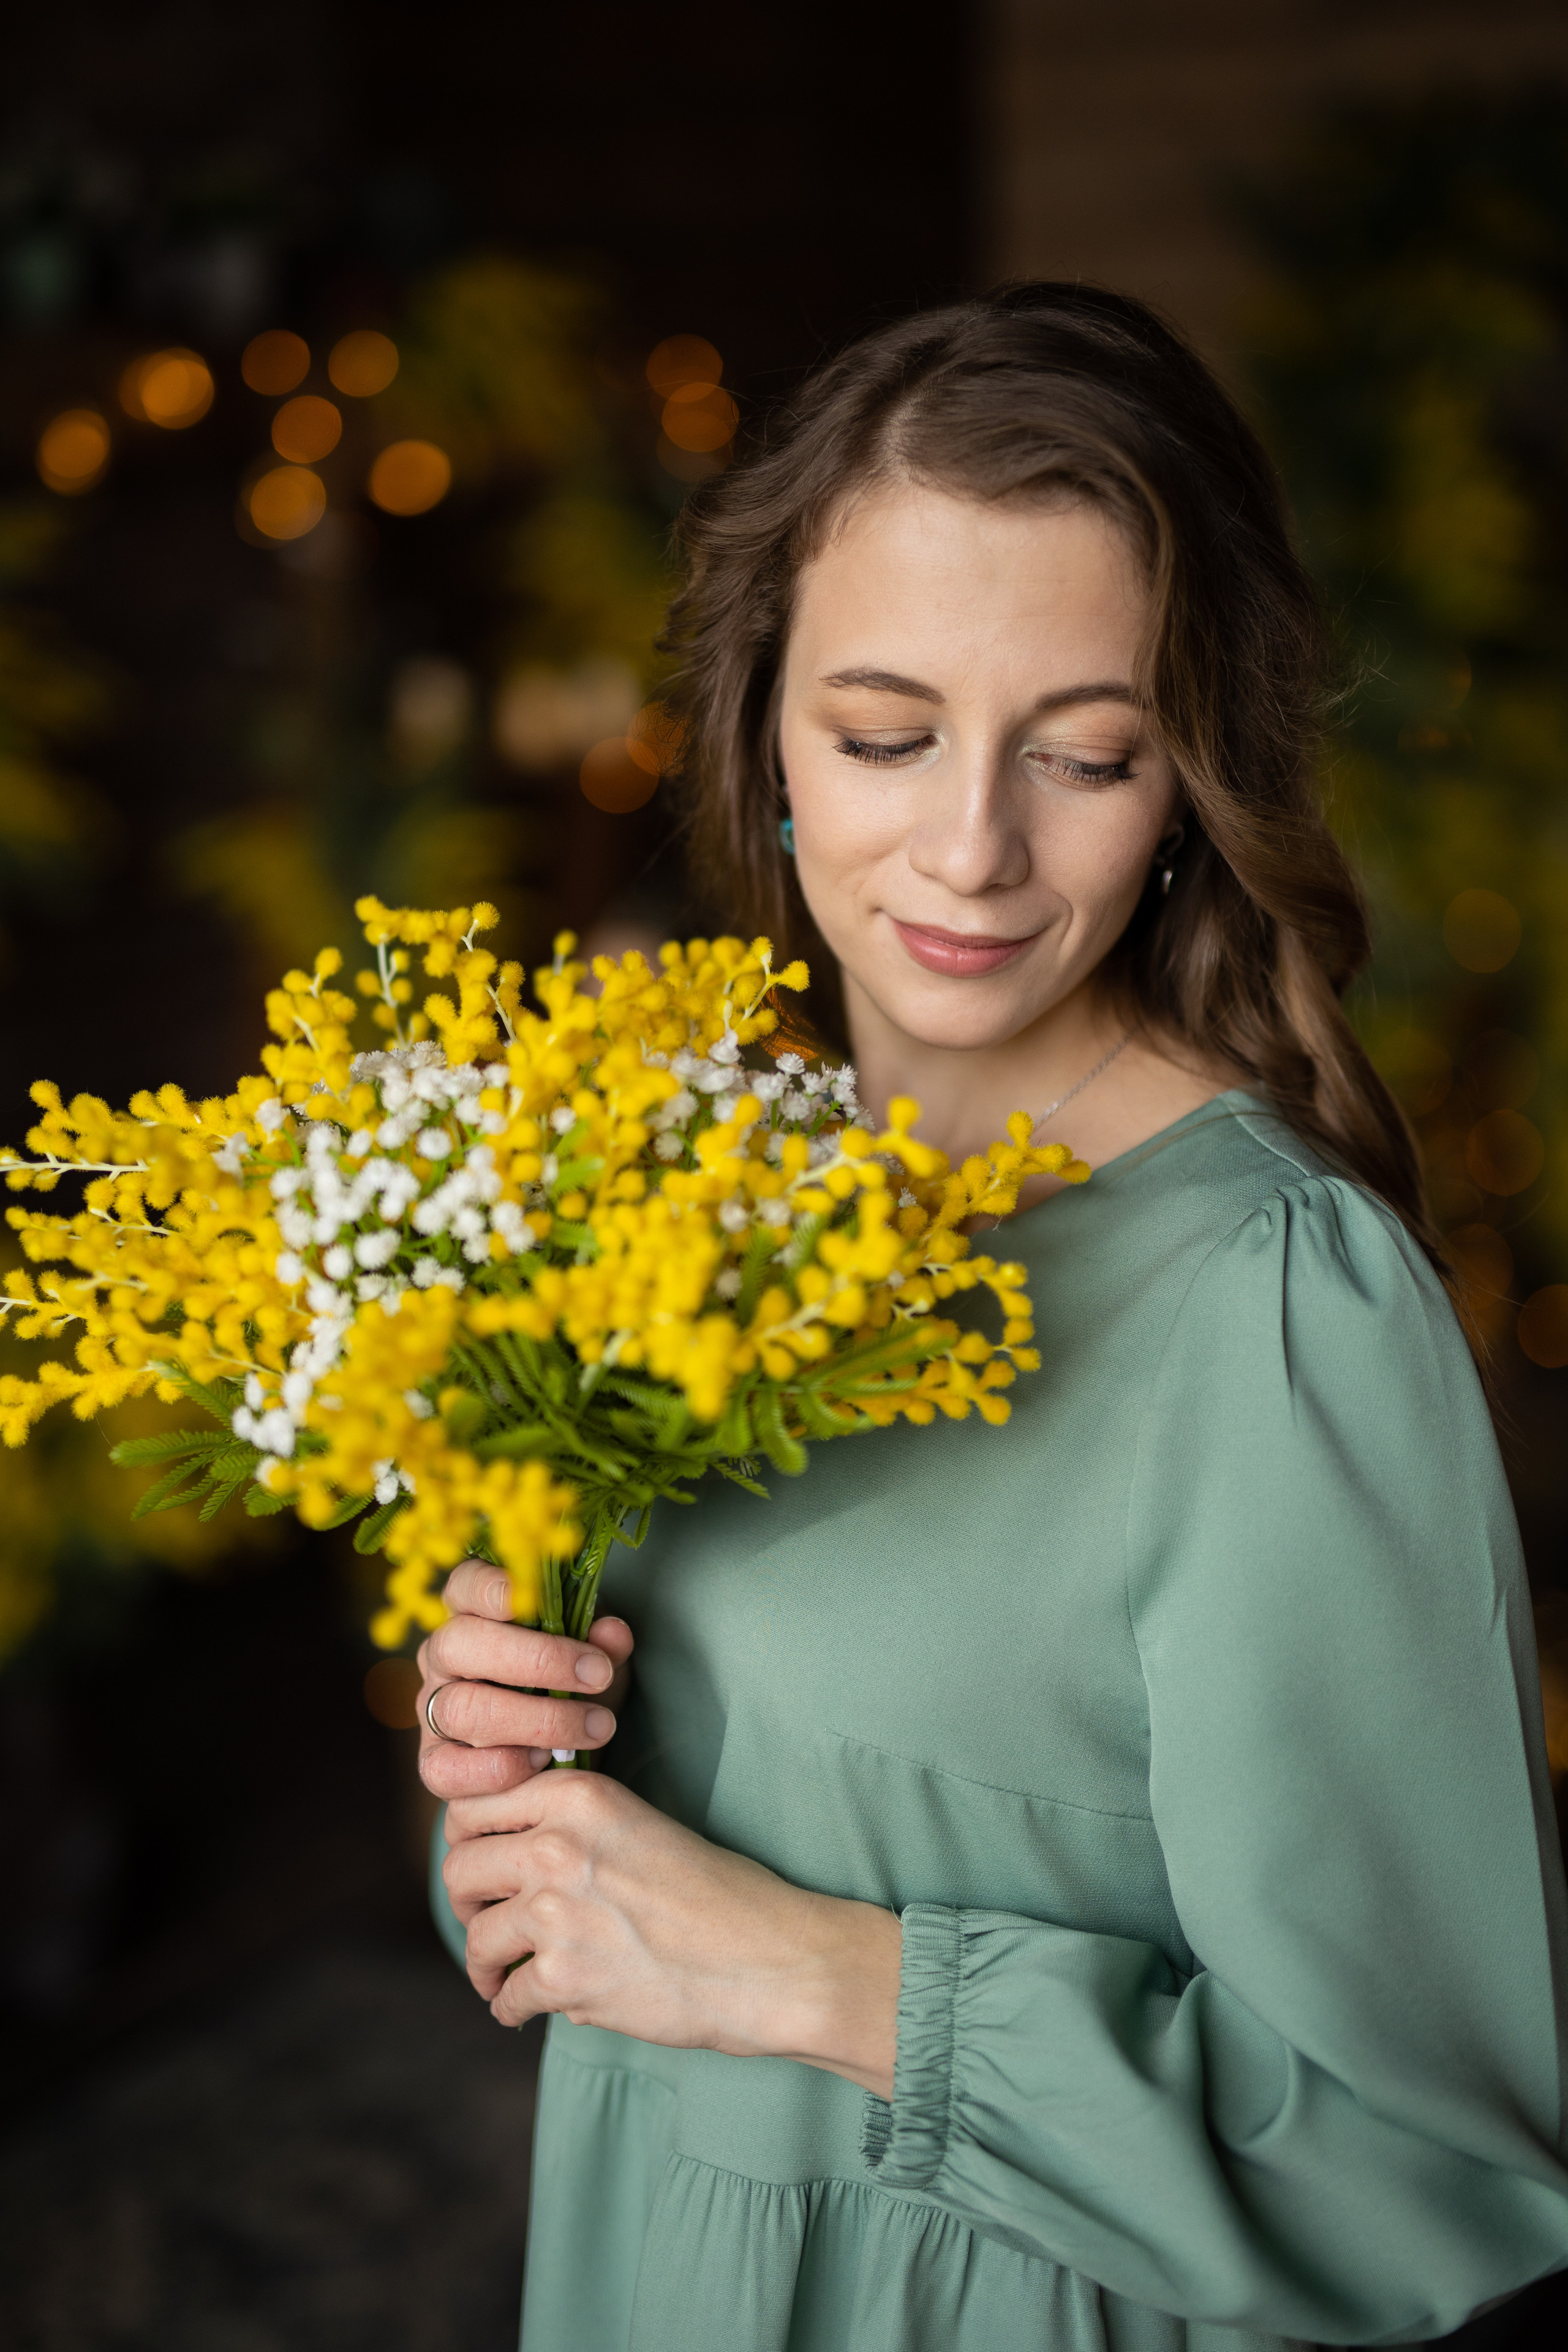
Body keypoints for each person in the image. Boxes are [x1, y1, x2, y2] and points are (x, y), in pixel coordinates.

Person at [412, 285, 1568, 2351]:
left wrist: (810, 1976)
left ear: (1191, 778)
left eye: (1088, 754)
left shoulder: (1277, 1316)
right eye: (884, 734)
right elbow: (593, 1918)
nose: (971, 848)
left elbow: (1442, 2181)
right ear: (765, 730)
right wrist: (517, 1783)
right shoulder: (669, 1189)